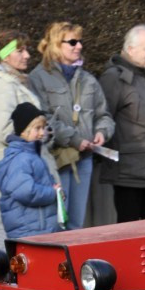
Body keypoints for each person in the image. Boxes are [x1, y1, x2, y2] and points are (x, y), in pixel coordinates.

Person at [29, 21, 114, 230]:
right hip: (55, 159)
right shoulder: (37, 78)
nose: (79, 46)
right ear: (56, 45)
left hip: (83, 160)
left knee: (76, 225)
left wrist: (102, 132)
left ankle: (71, 263)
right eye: (73, 42)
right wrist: (75, 139)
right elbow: (43, 118)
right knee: (57, 223)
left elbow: (104, 115)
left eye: (80, 41)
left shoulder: (89, 80)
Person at [0, 29, 57, 246]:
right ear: (4, 55)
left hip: (22, 164)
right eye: (20, 51)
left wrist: (43, 132)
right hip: (13, 166)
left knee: (23, 227)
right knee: (9, 227)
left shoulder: (16, 82)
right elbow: (4, 129)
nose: (27, 55)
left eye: (27, 50)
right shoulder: (1, 85)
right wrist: (40, 132)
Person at [99, 25, 145, 223]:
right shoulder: (114, 78)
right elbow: (104, 119)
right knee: (129, 235)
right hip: (128, 174)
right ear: (130, 49)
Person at [0, 102, 62, 238]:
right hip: (30, 231)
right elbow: (26, 192)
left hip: (38, 229)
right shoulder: (21, 159)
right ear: (23, 131)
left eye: (43, 127)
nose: (42, 132)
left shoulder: (32, 155)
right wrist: (53, 193)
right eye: (38, 128)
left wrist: (56, 190)